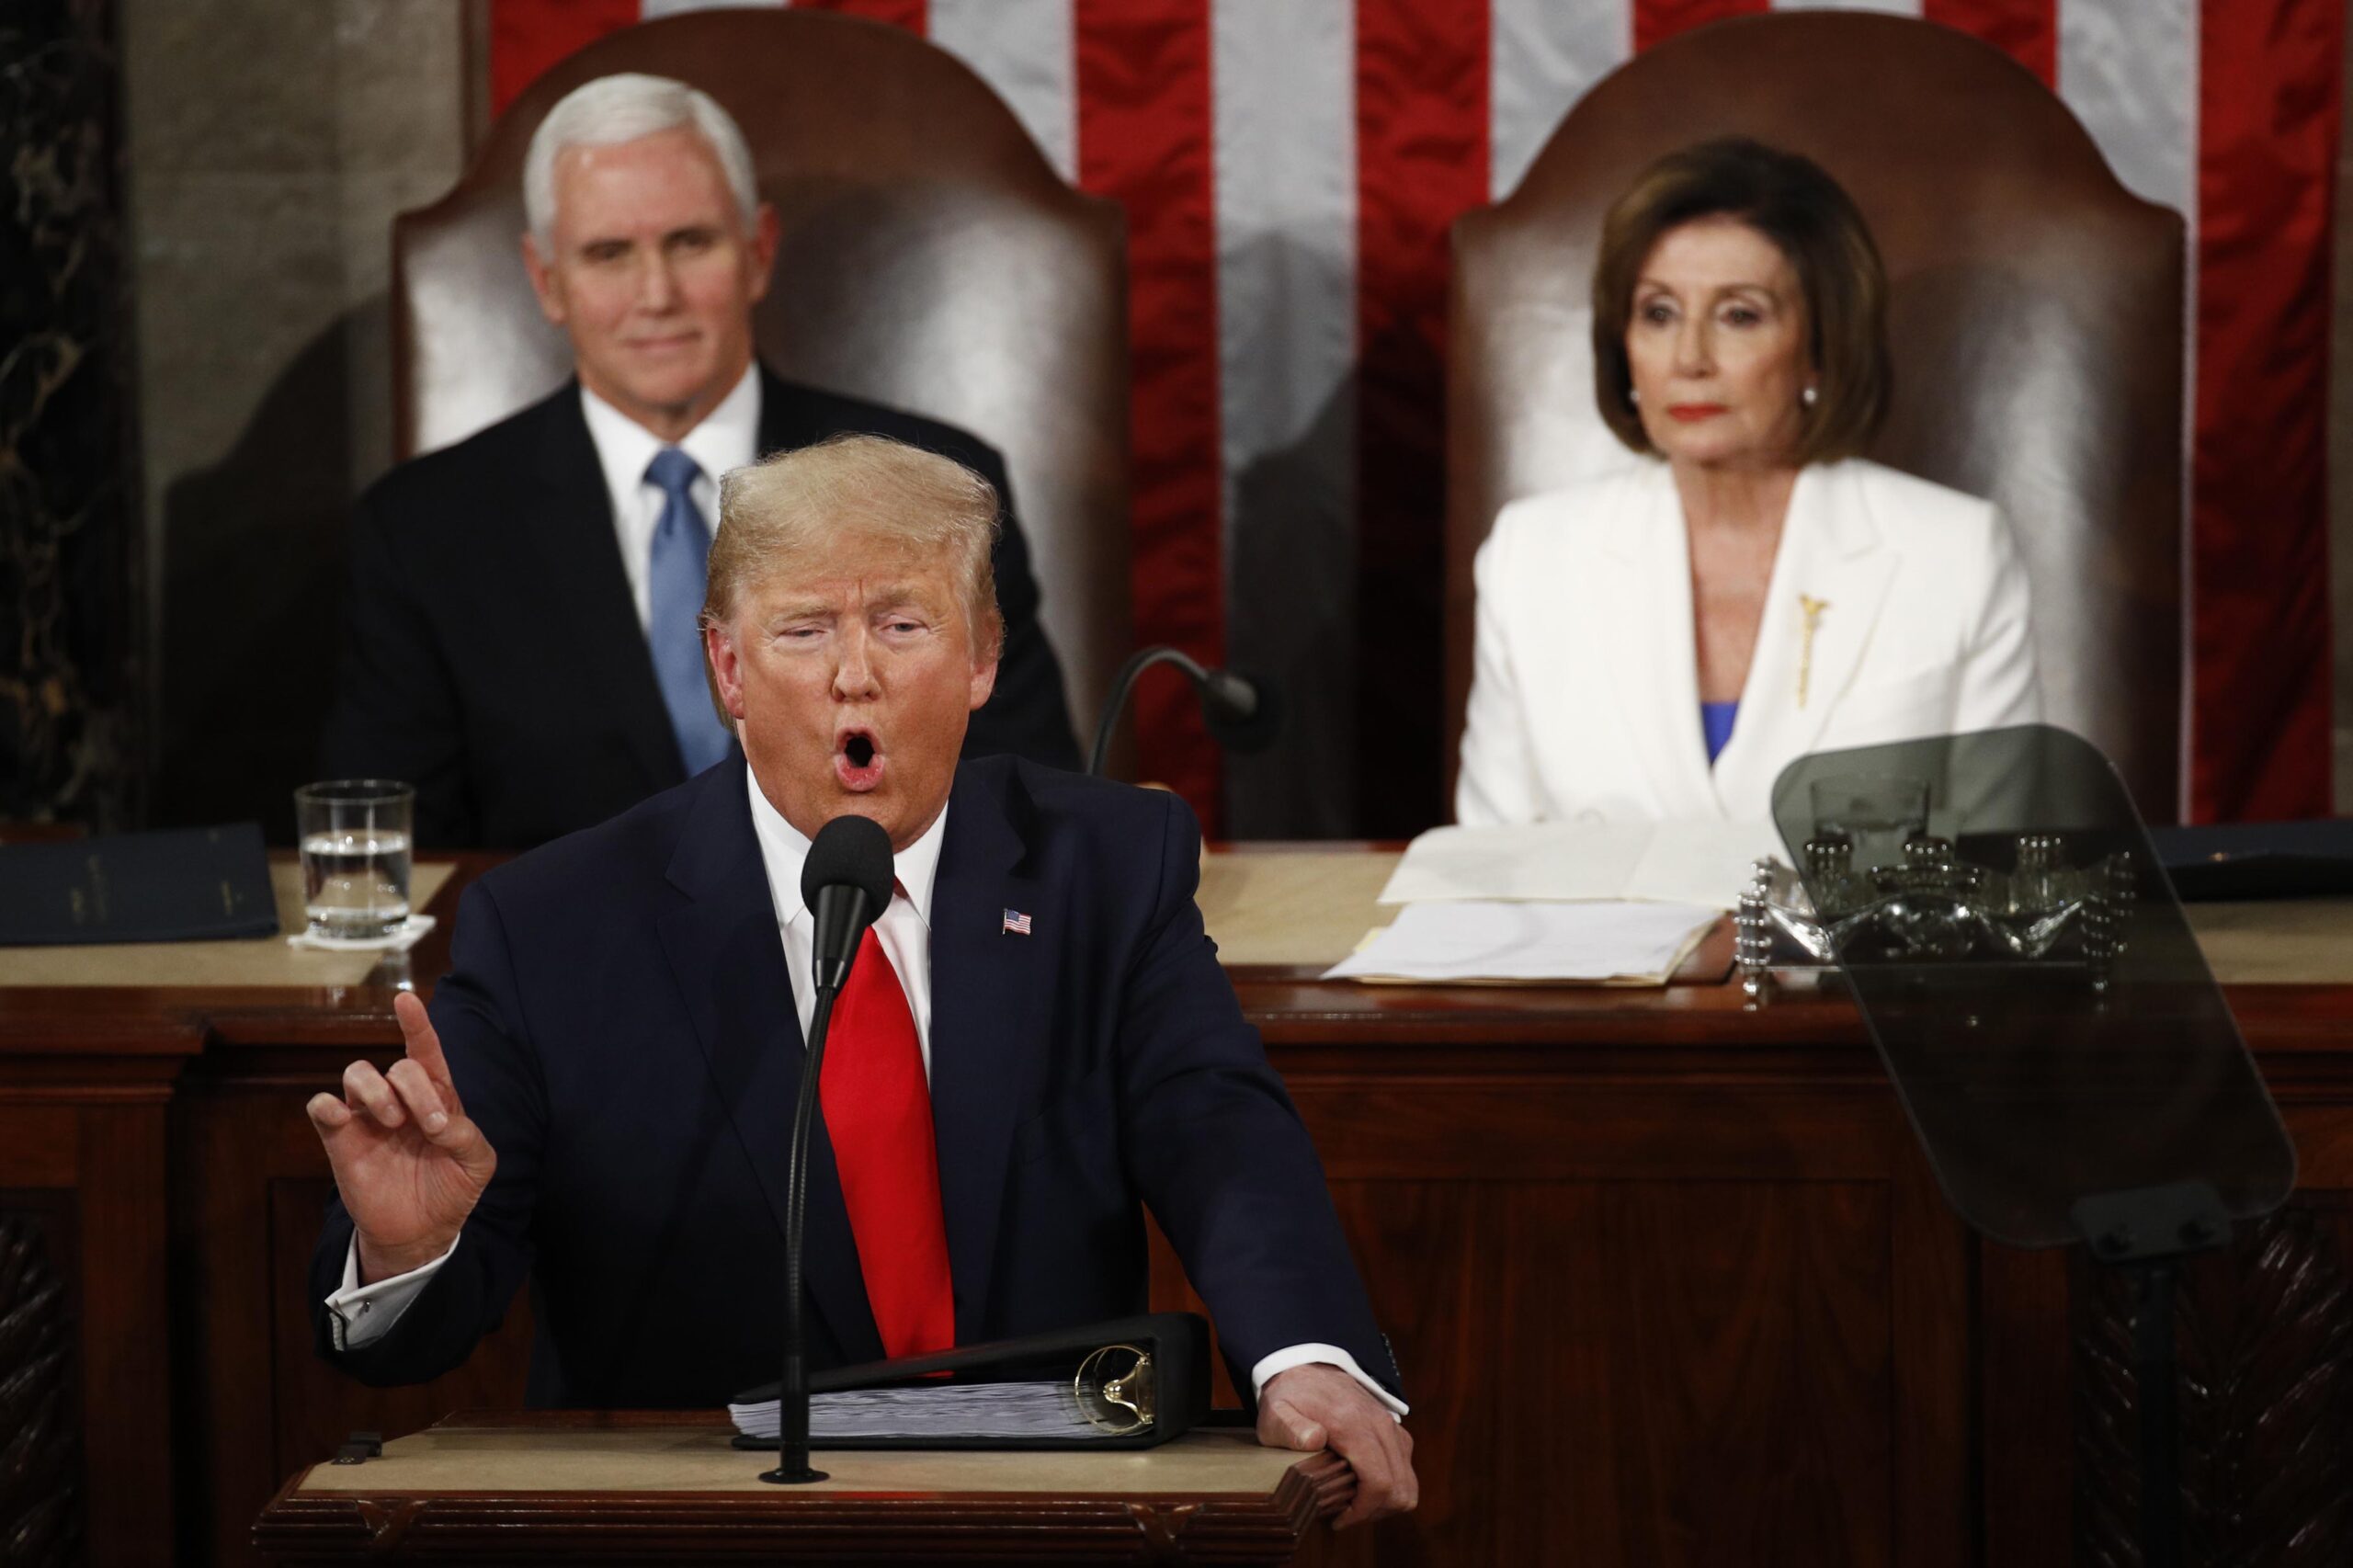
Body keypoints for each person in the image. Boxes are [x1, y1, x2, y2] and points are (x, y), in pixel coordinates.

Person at [302, 435, 1417, 1528]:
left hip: (1045, 1519)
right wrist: (406, 1250)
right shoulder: (555, 926)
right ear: (728, 669)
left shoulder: (1108, 867)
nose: (854, 674)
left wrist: (1302, 1352)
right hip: (701, 1534)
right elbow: (412, 1342)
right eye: (802, 629)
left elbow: (1218, 1129)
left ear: (982, 656)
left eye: (901, 623)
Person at [320, 74, 1080, 850]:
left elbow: (1025, 796)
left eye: (690, 242)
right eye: (609, 253)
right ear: (547, 281)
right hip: (571, 964)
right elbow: (394, 858)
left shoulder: (932, 485)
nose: (657, 294)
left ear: (758, 250)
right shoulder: (424, 528)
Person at [1455, 137, 2040, 826]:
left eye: (1739, 315)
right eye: (1659, 313)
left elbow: (1998, 873)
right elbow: (1491, 876)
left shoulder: (1954, 552)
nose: (1689, 358)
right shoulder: (1533, 557)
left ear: (1820, 349)